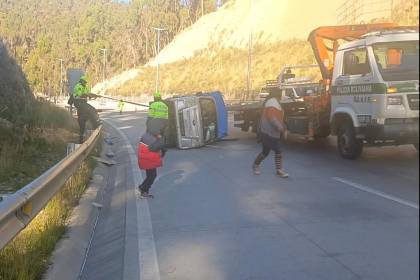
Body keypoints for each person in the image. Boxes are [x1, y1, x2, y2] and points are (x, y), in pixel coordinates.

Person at [252, 92, 289, 178]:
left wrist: (283, 127)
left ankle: (255, 165)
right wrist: (281, 128)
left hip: (270, 132)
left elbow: (278, 117)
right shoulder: (272, 103)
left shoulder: (273, 102)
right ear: (277, 95)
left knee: (265, 152)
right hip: (268, 132)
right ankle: (279, 170)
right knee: (278, 150)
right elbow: (272, 118)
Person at [137, 112, 167, 198]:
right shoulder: (152, 136)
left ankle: (143, 188)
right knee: (152, 176)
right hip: (148, 159)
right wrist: (163, 149)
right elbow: (156, 146)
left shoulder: (148, 134)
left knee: (151, 175)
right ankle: (143, 189)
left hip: (147, 158)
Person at [72, 75, 100, 143]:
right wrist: (88, 95)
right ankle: (96, 122)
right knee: (91, 109)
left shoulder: (85, 87)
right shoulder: (78, 86)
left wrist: (94, 95)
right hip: (78, 102)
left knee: (84, 116)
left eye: (85, 82)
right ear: (81, 81)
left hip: (83, 103)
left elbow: (88, 94)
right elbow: (80, 94)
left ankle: (83, 134)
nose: (85, 83)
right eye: (84, 82)